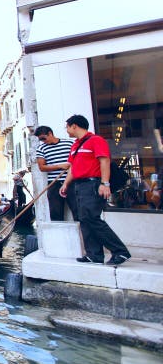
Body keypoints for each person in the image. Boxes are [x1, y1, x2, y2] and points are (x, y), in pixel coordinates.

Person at [59, 114, 131, 266]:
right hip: (78, 185)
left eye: (67, 127)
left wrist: (105, 183)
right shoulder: (75, 146)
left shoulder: (96, 140)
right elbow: (73, 167)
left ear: (74, 126)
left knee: (91, 217)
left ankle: (120, 251)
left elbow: (104, 160)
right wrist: (66, 184)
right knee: (83, 219)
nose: (66, 130)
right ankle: (94, 255)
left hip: (92, 183)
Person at [35, 126, 76, 221]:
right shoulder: (41, 148)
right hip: (54, 183)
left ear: (50, 133)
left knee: (78, 210)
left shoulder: (70, 143)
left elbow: (77, 161)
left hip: (72, 182)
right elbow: (42, 167)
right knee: (55, 213)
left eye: (43, 138)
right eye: (40, 139)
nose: (43, 141)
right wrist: (59, 166)